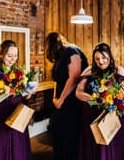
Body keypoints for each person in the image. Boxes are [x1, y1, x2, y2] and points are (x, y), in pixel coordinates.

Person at [75, 43, 124, 160]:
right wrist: (95, 99)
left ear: (109, 57)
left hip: (114, 115)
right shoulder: (89, 71)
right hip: (92, 115)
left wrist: (117, 101)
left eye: (104, 58)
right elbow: (78, 92)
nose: (100, 61)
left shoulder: (119, 70)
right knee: (95, 146)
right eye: (97, 59)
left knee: (114, 146)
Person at [0, 40, 33, 160]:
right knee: (1, 152)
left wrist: (28, 93)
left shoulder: (20, 72)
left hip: (17, 118)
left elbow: (24, 97)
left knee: (18, 151)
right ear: (1, 55)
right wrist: (8, 93)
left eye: (15, 56)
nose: (12, 59)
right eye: (9, 56)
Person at [45, 32, 88, 160]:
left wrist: (61, 100)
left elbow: (74, 78)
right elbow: (56, 80)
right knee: (58, 132)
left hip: (71, 102)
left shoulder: (71, 50)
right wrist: (54, 97)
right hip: (61, 103)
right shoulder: (60, 57)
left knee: (68, 136)